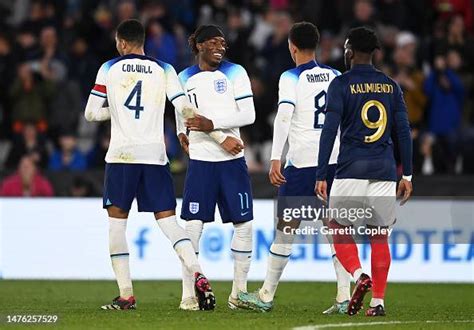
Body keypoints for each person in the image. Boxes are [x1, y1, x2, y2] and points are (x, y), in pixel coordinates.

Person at [84, 19, 215, 311]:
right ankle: (198, 273)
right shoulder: (164, 69)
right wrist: (193, 131)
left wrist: (116, 110)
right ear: (143, 41)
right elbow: (183, 107)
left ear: (121, 42)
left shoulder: (109, 68)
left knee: (117, 225)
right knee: (169, 222)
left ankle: (127, 294)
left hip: (122, 157)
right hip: (155, 157)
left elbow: (91, 114)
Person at [238, 21, 351, 313]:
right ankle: (343, 297)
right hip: (334, 162)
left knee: (286, 227)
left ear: (292, 47)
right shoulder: (336, 75)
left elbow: (284, 117)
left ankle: (265, 296)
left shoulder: (290, 77)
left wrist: (276, 157)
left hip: (302, 163)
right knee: (334, 228)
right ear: (317, 45)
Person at [315, 27, 413, 317]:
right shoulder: (391, 86)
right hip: (384, 171)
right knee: (379, 235)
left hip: (350, 169)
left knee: (337, 226)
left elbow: (329, 131)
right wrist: (406, 175)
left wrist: (322, 174)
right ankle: (378, 302)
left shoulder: (341, 84)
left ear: (350, 51)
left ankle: (359, 275)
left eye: (345, 48)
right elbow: (403, 133)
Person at [176, 25, 255, 311]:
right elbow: (182, 112)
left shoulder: (236, 72)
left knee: (244, 225)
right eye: (213, 42)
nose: (220, 46)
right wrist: (179, 133)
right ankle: (187, 295)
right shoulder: (184, 77)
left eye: (223, 42)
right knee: (193, 227)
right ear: (198, 46)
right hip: (201, 160)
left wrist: (213, 126)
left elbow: (248, 114)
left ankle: (239, 293)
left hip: (232, 162)